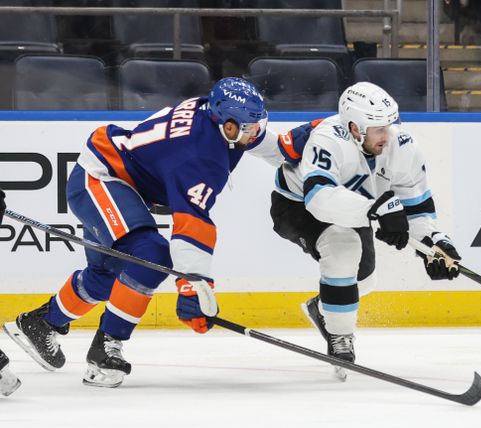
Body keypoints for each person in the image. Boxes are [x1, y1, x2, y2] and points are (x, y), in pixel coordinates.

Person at [3, 77, 285, 388]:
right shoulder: (199, 156)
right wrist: (193, 285)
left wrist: (297, 151)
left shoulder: (214, 116)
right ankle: (106, 347)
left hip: (113, 177)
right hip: (101, 178)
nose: (253, 132)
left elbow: (261, 141)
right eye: (247, 127)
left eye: (255, 125)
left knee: (109, 277)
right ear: (225, 124)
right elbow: (192, 223)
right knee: (150, 256)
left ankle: (41, 323)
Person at [270, 82, 461, 380]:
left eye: (388, 125)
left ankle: (324, 308)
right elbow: (319, 199)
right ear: (354, 127)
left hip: (354, 210)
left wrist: (432, 243)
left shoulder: (402, 146)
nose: (387, 135)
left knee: (364, 279)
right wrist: (375, 210)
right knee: (343, 247)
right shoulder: (328, 140)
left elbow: (416, 206)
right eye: (377, 128)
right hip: (296, 206)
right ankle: (340, 339)